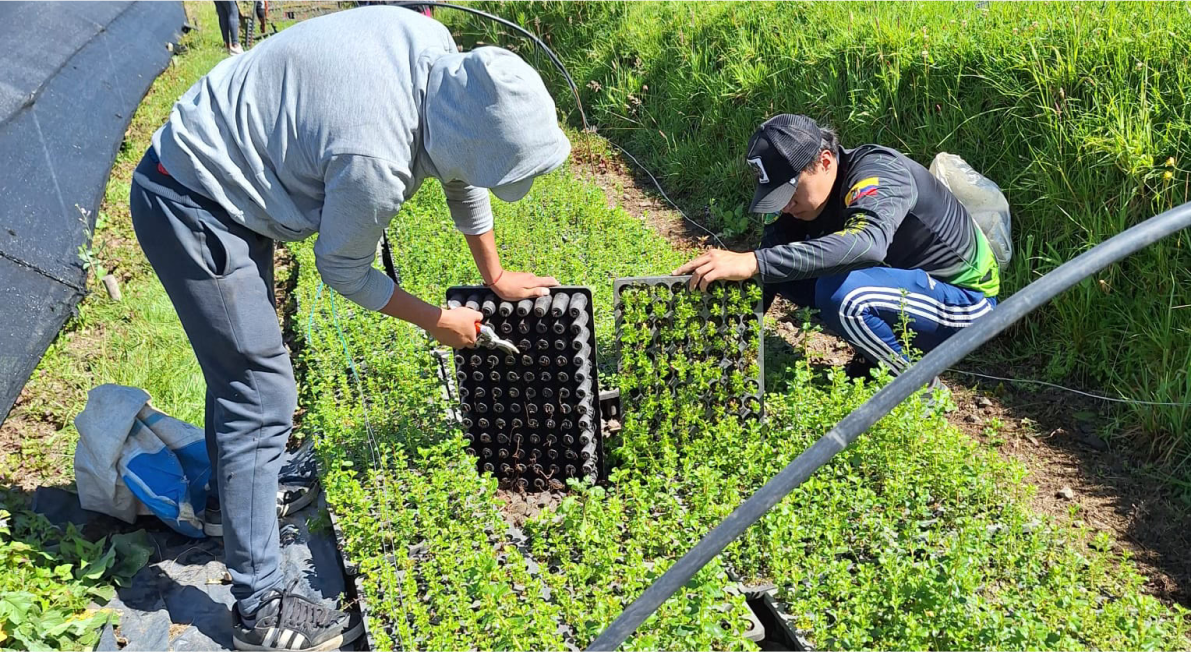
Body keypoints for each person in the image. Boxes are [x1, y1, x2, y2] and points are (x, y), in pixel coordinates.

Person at [129, 7, 568, 651]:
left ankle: (233, 503)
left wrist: (494, 273)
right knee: (260, 388)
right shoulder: (375, 157)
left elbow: (462, 171)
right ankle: (260, 605)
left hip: (225, 175)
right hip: (190, 200)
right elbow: (341, 269)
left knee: (241, 372)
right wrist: (437, 320)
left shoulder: (439, 60)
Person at [674, 114, 1000, 379]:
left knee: (842, 295)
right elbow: (769, 266)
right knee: (783, 268)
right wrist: (712, 343)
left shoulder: (878, 173)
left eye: (788, 192)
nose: (785, 205)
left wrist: (755, 261)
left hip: (967, 301)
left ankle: (915, 389)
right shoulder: (804, 202)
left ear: (825, 161)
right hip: (907, 288)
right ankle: (878, 357)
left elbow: (868, 245)